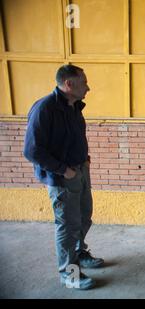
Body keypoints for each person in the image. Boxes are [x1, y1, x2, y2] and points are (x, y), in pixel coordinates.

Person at [23, 65, 104, 290]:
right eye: (84, 82)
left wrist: (85, 160)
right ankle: (70, 274)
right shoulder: (44, 109)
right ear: (69, 84)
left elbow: (76, 137)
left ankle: (79, 253)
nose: (88, 87)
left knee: (84, 217)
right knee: (67, 225)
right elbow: (32, 151)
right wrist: (64, 170)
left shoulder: (74, 107)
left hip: (80, 171)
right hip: (62, 177)